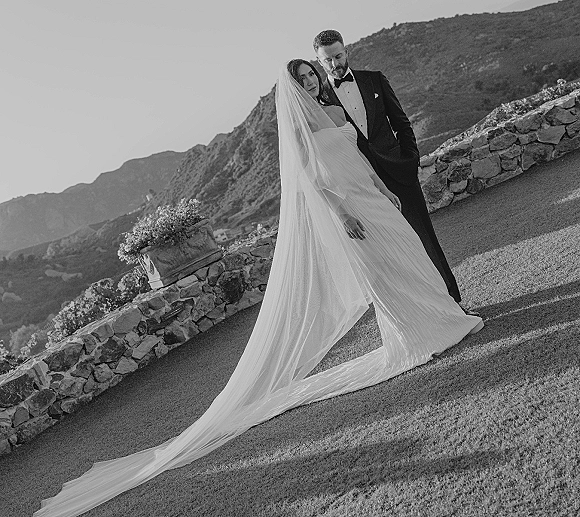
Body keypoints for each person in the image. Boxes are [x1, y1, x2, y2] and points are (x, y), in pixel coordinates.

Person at [34, 62, 482, 517]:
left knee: (409, 256)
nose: (310, 82)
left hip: (374, 198)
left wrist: (382, 191)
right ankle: (414, 337)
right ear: (292, 89)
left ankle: (443, 317)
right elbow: (314, 181)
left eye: (311, 75)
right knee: (385, 275)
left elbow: (359, 160)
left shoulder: (331, 108)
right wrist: (344, 215)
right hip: (352, 212)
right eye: (302, 79)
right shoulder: (302, 126)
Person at [313, 29, 464, 304]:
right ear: (319, 62)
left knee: (424, 238)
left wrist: (410, 159)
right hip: (362, 185)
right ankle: (425, 306)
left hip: (399, 171)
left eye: (338, 56)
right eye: (328, 60)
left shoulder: (374, 80)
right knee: (393, 249)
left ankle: (452, 301)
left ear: (346, 51)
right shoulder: (320, 100)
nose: (335, 64)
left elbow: (401, 122)